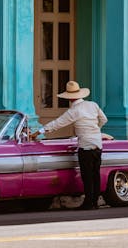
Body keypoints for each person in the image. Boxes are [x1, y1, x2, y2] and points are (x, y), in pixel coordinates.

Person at [31, 80, 112, 209]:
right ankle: (94, 202)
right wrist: (95, 130)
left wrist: (38, 132)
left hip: (85, 146)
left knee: (87, 176)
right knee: (95, 175)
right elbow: (104, 119)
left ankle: (88, 203)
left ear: (70, 98)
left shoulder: (74, 111)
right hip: (97, 144)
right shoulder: (93, 105)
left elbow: (57, 123)